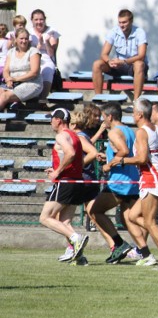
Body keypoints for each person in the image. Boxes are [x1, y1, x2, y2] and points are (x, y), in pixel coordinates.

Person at [120, 98, 158, 271]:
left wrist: (121, 160)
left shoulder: (141, 132)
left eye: (133, 112)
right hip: (157, 179)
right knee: (132, 216)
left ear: (139, 114)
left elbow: (142, 159)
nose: (132, 115)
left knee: (150, 222)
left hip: (151, 180)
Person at [89, 102, 147, 265]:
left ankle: (119, 244)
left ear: (110, 116)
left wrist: (109, 165)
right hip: (133, 179)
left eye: (103, 117)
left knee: (94, 211)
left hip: (119, 182)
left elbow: (124, 151)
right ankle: (147, 249)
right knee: (128, 218)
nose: (102, 120)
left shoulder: (114, 132)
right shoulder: (130, 130)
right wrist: (106, 157)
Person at [39, 108, 89, 263]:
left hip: (65, 182)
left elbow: (71, 154)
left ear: (59, 120)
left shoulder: (61, 135)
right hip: (76, 181)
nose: (50, 122)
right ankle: (79, 256)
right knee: (65, 222)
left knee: (45, 217)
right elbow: (79, 160)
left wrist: (57, 172)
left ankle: (76, 238)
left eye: (52, 118)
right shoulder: (75, 136)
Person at [57, 111, 100, 265]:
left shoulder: (78, 136)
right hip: (80, 180)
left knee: (56, 218)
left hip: (80, 180)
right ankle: (76, 252)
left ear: (73, 124)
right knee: (64, 219)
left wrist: (78, 165)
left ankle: (74, 245)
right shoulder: (79, 136)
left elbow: (93, 152)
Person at [92, 9, 148, 100]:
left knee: (139, 64)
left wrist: (124, 61)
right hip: (119, 65)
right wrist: (109, 61)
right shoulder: (114, 31)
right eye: (120, 22)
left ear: (131, 21)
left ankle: (136, 102)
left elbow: (141, 56)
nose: (121, 25)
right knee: (97, 64)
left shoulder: (140, 32)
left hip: (133, 66)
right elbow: (104, 54)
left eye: (124, 22)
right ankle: (98, 100)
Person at [0, 28, 43, 110]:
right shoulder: (11, 52)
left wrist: (15, 79)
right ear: (16, 39)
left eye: (26, 38)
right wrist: (8, 79)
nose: (24, 41)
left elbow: (34, 72)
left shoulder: (33, 51)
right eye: (21, 38)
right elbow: (6, 70)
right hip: (13, 83)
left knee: (5, 96)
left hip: (31, 83)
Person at [30, 9, 60, 98]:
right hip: (32, 56)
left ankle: (42, 99)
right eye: (36, 19)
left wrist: (46, 41)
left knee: (47, 70)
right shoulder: (28, 32)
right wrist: (38, 46)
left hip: (47, 57)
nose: (39, 22)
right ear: (32, 20)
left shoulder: (52, 31)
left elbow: (52, 53)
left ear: (45, 19)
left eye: (41, 19)